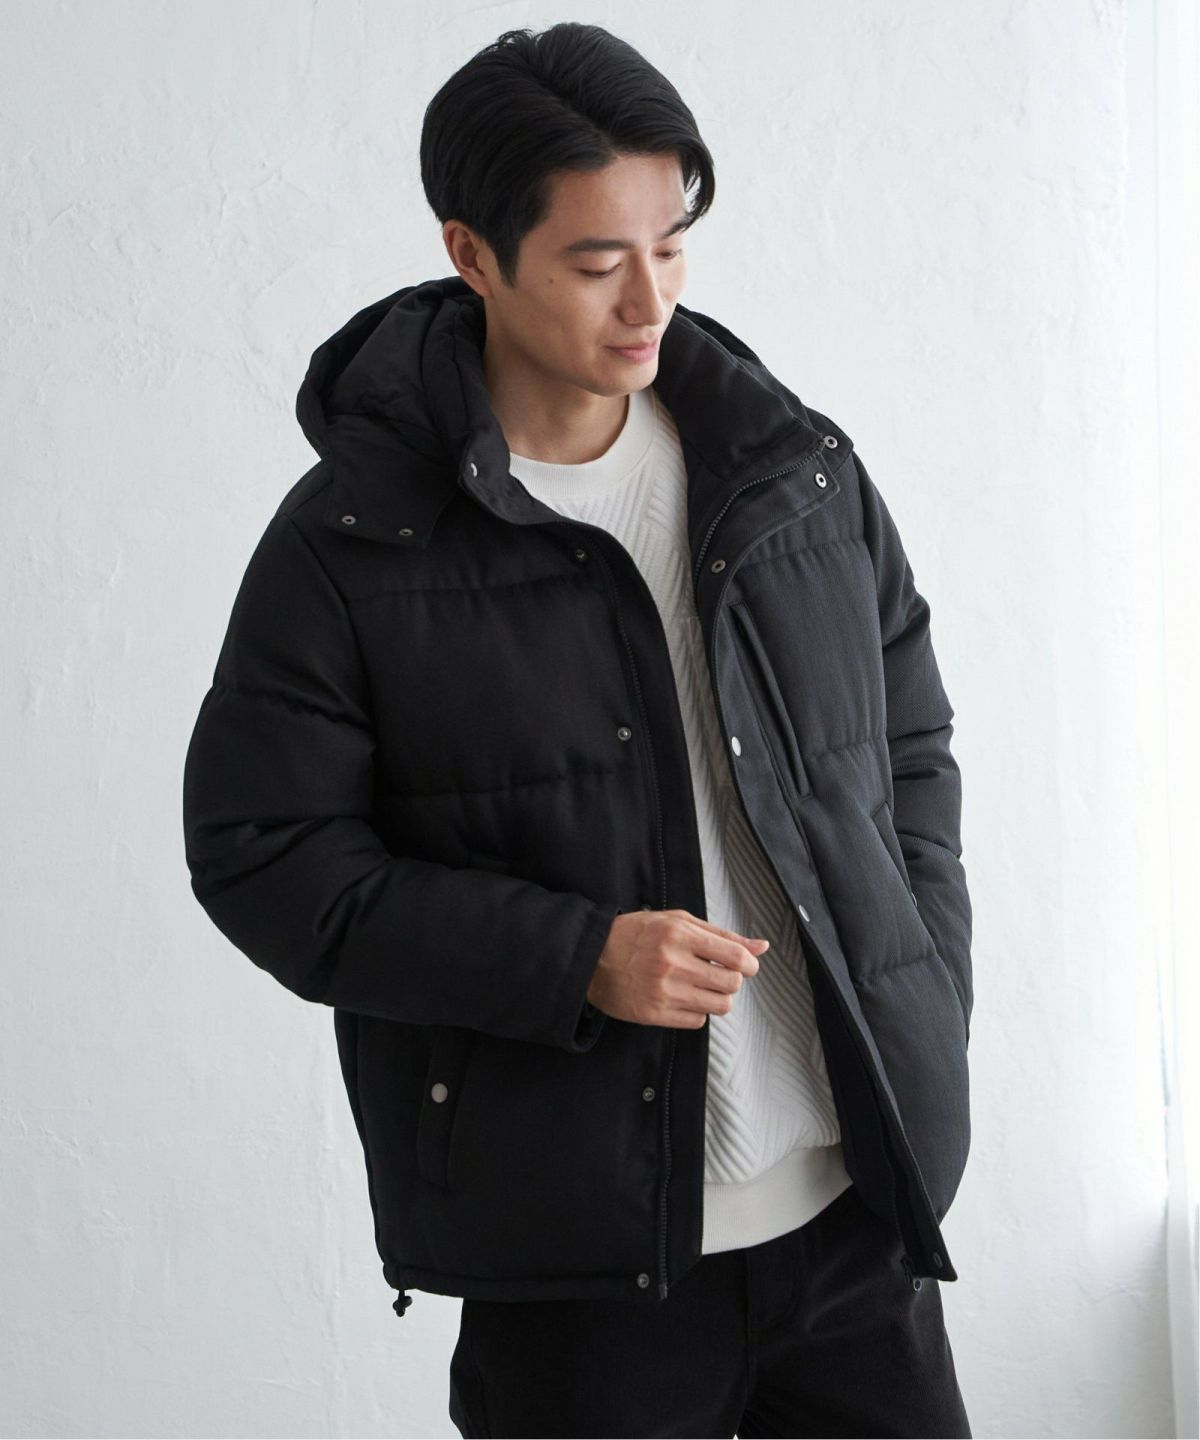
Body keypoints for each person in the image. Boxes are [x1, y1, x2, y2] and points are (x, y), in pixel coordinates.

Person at [182, 20, 974, 1439]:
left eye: (672, 245)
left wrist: (921, 989)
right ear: (473, 255)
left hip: (855, 1225)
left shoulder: (788, 470)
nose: (649, 299)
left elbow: (907, 751)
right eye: (599, 262)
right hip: (579, 1271)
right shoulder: (356, 541)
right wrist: (574, 960)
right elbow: (263, 854)